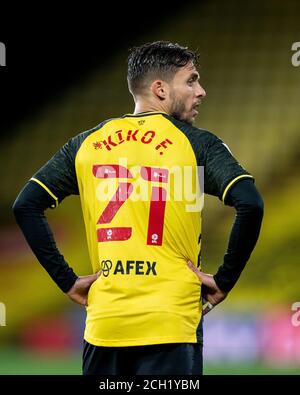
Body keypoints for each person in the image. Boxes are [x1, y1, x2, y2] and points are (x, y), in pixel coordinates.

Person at [12, 41, 264, 375]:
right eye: (191, 80)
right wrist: (224, 279)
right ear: (160, 89)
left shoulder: (87, 144)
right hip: (172, 323)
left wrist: (67, 280)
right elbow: (250, 203)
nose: (201, 91)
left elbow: (27, 205)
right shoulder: (196, 143)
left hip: (105, 326)